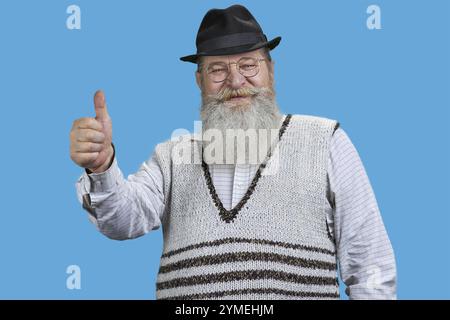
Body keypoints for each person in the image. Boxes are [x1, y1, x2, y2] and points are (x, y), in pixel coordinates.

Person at [70, 4, 396, 300]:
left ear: (270, 69)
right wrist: (102, 167)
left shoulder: (325, 140)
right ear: (200, 81)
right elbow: (122, 222)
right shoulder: (171, 157)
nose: (236, 80)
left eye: (248, 64)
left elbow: (370, 265)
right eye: (218, 69)